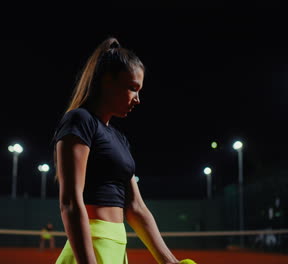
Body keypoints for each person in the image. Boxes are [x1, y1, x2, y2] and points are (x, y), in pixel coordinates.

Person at [53, 37, 196, 264]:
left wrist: (170, 261)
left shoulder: (120, 139)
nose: (138, 99)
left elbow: (136, 207)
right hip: (92, 246)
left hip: (117, 248)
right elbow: (70, 201)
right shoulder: (80, 120)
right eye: (132, 88)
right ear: (107, 81)